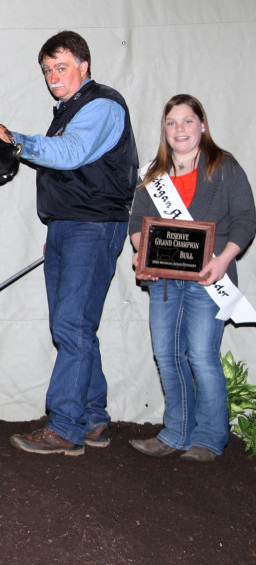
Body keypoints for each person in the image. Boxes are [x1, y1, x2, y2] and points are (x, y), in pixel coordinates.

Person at [0, 30, 138, 455]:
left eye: (61, 67)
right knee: (75, 325)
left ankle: (66, 427)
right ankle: (93, 418)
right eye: (47, 70)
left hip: (92, 227)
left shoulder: (102, 105)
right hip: (69, 227)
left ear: (84, 66)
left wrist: (15, 140)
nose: (53, 76)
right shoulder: (69, 110)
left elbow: (70, 153)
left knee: (71, 325)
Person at [127, 94, 256, 462]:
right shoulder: (154, 174)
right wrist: (141, 252)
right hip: (164, 282)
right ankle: (176, 433)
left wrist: (225, 259)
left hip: (208, 279)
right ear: (164, 130)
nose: (179, 129)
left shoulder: (223, 166)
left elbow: (246, 218)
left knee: (201, 356)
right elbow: (136, 224)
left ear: (203, 125)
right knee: (167, 355)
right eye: (171, 123)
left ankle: (210, 439)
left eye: (187, 121)